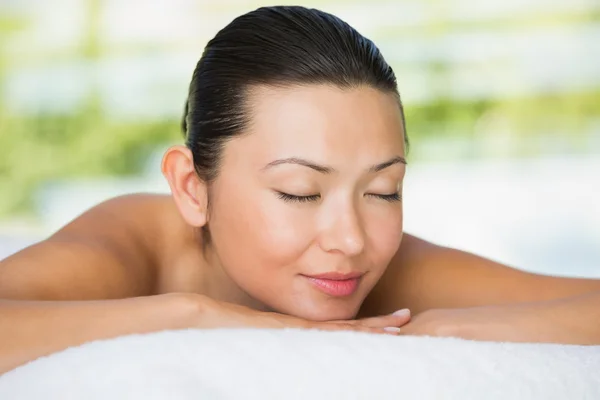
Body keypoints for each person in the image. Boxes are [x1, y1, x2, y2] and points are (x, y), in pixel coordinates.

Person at [0, 5, 598, 374]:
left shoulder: (380, 266)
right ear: (191, 187)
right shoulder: (128, 246)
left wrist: (447, 330)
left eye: (384, 190)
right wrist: (198, 317)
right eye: (299, 192)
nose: (349, 239)